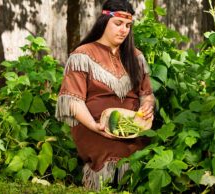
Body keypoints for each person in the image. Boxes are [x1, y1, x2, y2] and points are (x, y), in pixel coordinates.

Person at [55, 0, 155, 190]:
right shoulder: (82, 55)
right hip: (94, 125)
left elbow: (147, 94)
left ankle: (133, 184)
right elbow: (73, 100)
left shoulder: (136, 57)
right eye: (118, 24)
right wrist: (95, 126)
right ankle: (105, 183)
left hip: (133, 126)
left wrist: (147, 107)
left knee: (142, 149)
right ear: (104, 21)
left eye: (128, 25)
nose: (123, 30)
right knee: (112, 147)